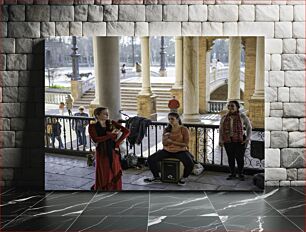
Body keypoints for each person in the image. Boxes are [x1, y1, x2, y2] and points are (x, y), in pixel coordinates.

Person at [144, 112, 194, 186]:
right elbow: (164, 144)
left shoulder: (183, 129)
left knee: (190, 163)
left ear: (177, 119)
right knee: (151, 159)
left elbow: (185, 144)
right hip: (167, 150)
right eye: (169, 119)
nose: (170, 120)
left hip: (180, 151)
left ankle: (184, 177)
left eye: (172, 119)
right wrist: (165, 139)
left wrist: (172, 142)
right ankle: (157, 177)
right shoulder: (167, 129)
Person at [88, 107, 130, 191]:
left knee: (115, 170)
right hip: (102, 152)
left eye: (107, 113)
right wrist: (110, 135)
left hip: (113, 151)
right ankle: (104, 189)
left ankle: (115, 189)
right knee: (105, 172)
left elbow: (126, 131)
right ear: (97, 115)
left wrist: (117, 143)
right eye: (104, 113)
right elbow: (96, 139)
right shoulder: (92, 126)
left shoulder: (112, 123)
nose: (107, 115)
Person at [219, 100, 252, 181]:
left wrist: (247, 139)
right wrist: (220, 140)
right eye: (229, 106)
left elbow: (249, 127)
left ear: (237, 107)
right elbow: (221, 129)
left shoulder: (242, 116)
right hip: (228, 141)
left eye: (232, 106)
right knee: (230, 158)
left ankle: (241, 174)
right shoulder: (224, 117)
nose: (230, 107)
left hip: (240, 140)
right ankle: (232, 173)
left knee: (240, 158)